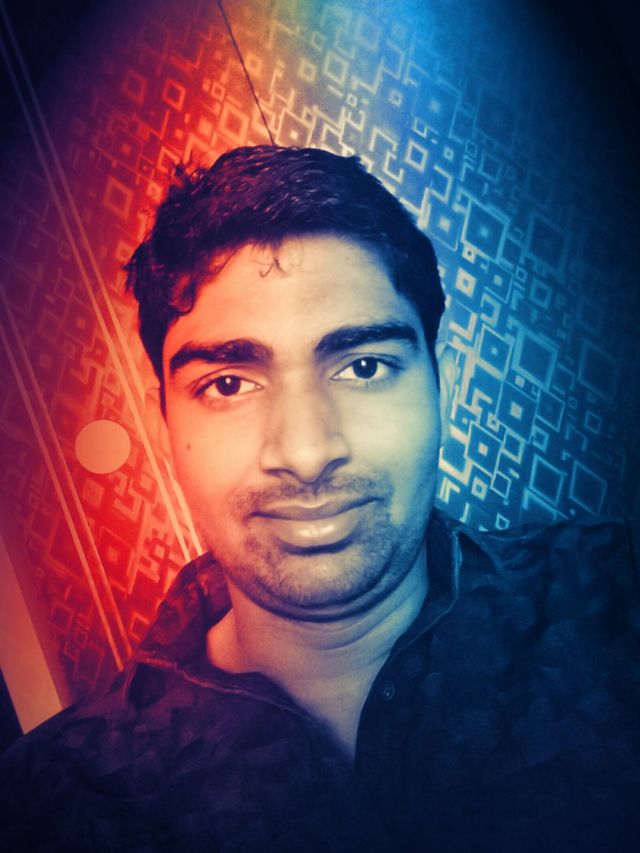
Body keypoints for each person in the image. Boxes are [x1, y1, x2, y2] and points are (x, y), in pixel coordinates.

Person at [1, 145, 639, 852]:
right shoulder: (47, 804)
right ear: (167, 427)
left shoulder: (615, 601)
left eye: (363, 367)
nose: (305, 453)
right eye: (228, 384)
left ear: (442, 387)